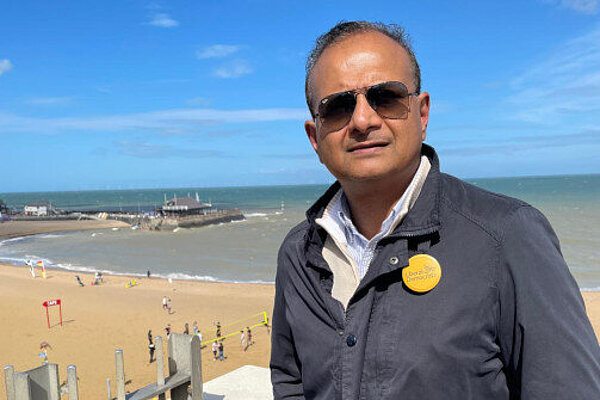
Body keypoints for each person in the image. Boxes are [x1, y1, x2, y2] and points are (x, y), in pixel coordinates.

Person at [270, 21, 600, 400]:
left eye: (387, 97)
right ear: (315, 137)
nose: (363, 120)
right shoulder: (298, 253)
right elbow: (290, 380)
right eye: (339, 106)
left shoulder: (507, 236)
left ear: (422, 114)